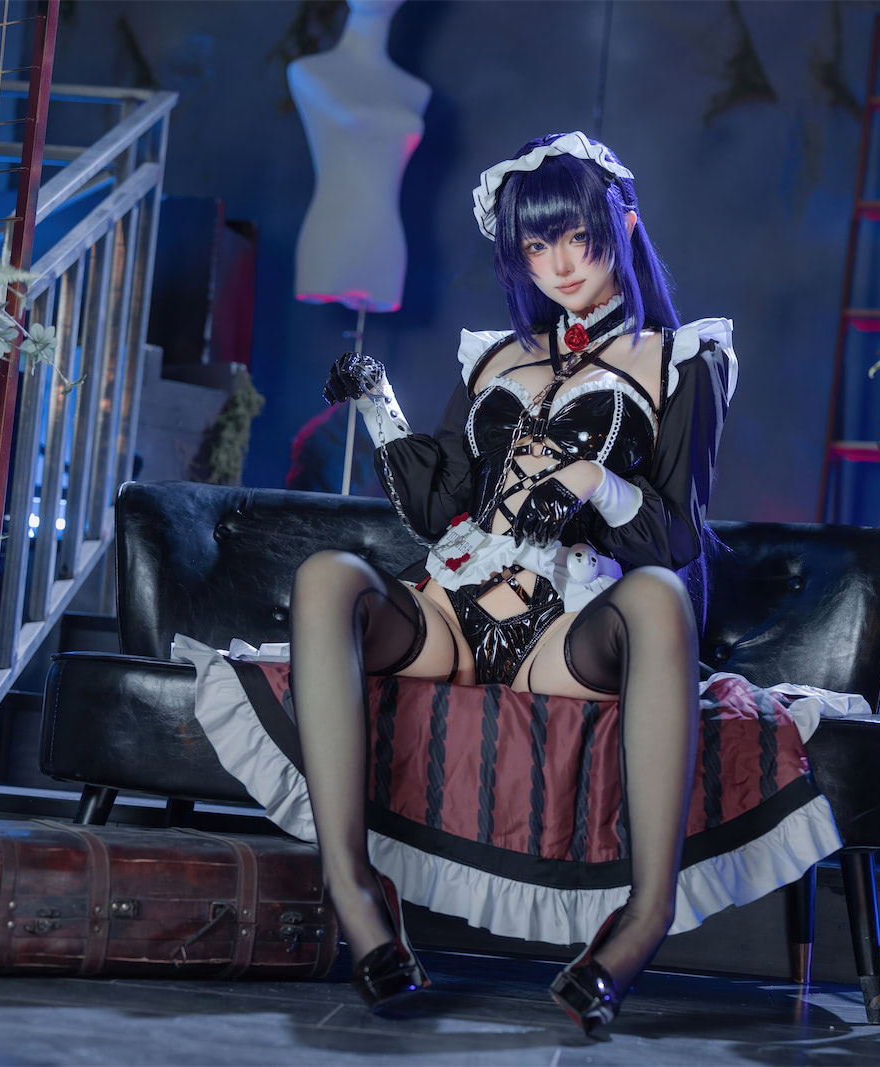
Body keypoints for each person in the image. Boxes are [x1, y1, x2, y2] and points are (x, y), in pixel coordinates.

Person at [304, 131, 736, 1035]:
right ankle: (354, 891)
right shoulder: (496, 357)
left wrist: (592, 479)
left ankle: (642, 918)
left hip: (564, 632)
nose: (561, 264)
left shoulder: (679, 360)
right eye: (537, 246)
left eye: (578, 236)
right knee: (325, 579)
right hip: (453, 614)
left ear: (623, 224)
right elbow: (442, 508)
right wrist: (379, 403)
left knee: (660, 599)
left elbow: (674, 536)